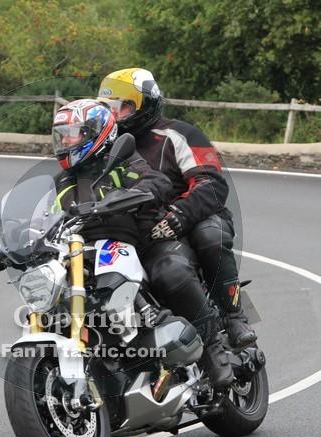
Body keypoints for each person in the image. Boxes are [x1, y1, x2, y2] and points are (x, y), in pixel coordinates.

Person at [51, 99, 236, 388]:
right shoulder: (64, 179)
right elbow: (56, 212)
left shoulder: (122, 160)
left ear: (95, 133)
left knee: (171, 272)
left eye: (73, 134)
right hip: (94, 249)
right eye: (62, 135)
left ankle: (213, 348)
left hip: (145, 240)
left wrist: (132, 195)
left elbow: (157, 181)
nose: (66, 141)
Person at [97, 68, 258, 349]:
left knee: (210, 236)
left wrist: (179, 216)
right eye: (109, 108)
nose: (116, 115)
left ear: (145, 104)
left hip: (193, 217)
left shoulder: (180, 134)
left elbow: (211, 184)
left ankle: (234, 316)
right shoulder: (103, 145)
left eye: (123, 107)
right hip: (141, 229)